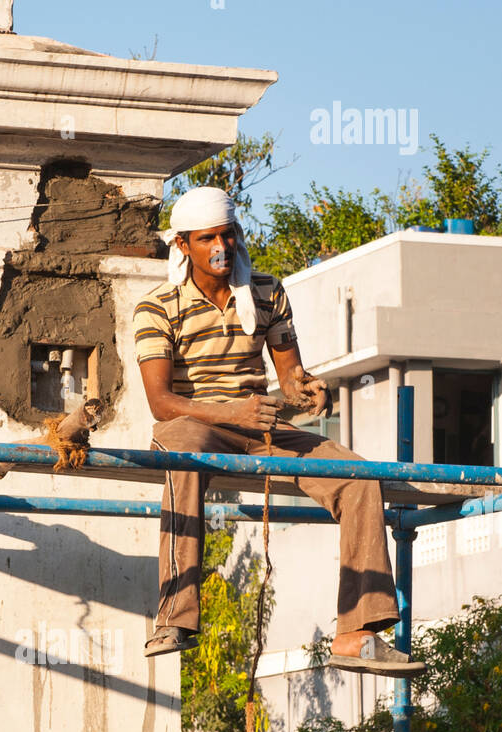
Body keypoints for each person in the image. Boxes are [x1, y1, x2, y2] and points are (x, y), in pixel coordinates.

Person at [135, 185, 425, 678]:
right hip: (196, 424)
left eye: (227, 235)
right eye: (207, 239)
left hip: (261, 424)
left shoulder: (267, 292)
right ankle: (174, 618)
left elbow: (289, 374)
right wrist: (232, 414)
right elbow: (160, 404)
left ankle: (357, 634)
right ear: (183, 245)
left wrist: (307, 390)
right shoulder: (157, 306)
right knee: (178, 450)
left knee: (358, 477)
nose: (220, 248)